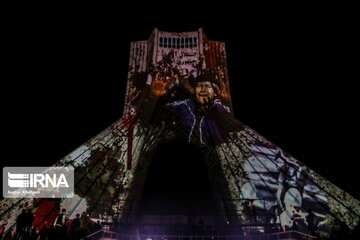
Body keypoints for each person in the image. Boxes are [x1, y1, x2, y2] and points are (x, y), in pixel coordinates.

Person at [165, 70, 244, 146]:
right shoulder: (185, 105)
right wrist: (155, 96)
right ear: (194, 90)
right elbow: (164, 109)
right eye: (199, 86)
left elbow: (235, 128)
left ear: (215, 92)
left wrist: (228, 100)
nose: (203, 90)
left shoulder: (221, 108)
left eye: (207, 86)